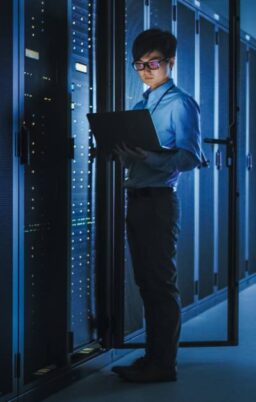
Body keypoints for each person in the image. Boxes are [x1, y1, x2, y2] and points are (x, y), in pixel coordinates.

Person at [111, 28, 204, 382]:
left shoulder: (180, 103)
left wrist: (148, 158)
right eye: (139, 64)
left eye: (153, 62)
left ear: (170, 62)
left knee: (161, 285)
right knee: (147, 284)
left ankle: (164, 365)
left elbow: (191, 157)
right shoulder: (140, 106)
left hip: (159, 202)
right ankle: (153, 358)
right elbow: (141, 157)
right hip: (136, 199)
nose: (146, 70)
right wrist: (126, 156)